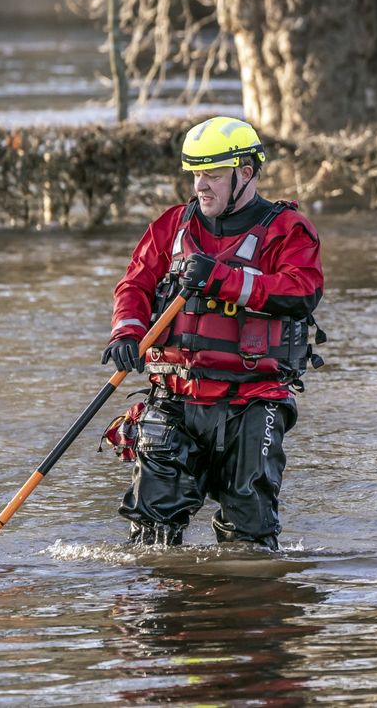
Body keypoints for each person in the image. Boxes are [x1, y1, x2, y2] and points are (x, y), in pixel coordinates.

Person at [101, 117, 324, 548]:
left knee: (249, 537)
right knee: (150, 535)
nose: (201, 185)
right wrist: (126, 332)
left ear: (245, 173)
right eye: (197, 174)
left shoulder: (288, 230)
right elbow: (135, 285)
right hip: (174, 400)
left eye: (214, 176)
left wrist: (220, 279)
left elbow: (302, 291)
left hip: (253, 400)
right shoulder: (171, 226)